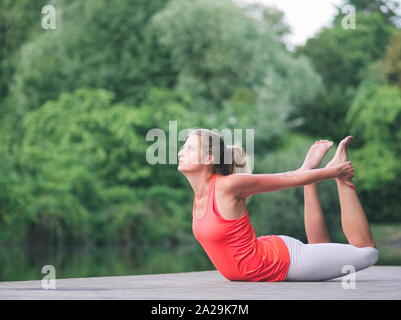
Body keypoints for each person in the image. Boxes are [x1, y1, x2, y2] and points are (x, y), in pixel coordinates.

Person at [177, 128, 379, 282]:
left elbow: (287, 178)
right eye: (184, 146)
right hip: (268, 251)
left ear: (209, 159)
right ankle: (311, 176)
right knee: (320, 248)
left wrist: (335, 172)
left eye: (190, 148)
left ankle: (342, 182)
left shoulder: (228, 186)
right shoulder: (200, 196)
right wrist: (307, 172)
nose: (181, 151)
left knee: (368, 253)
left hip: (282, 261)